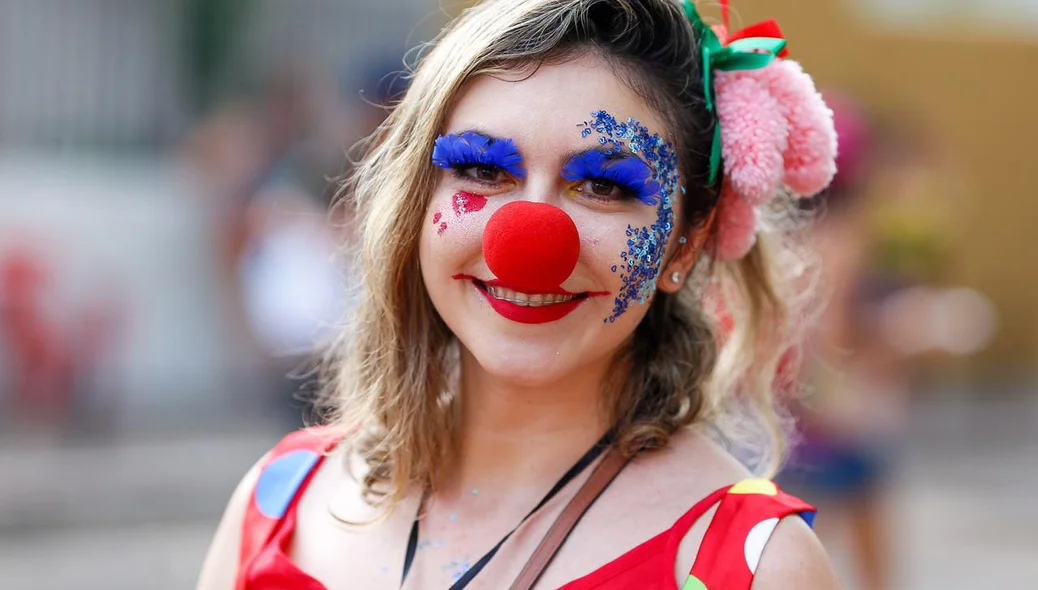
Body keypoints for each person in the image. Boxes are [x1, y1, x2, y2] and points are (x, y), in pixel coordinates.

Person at [197, 1, 843, 588]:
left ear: (683, 244)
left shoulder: (754, 568)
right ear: (418, 206)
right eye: (483, 169)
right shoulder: (279, 504)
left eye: (605, 186)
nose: (530, 242)